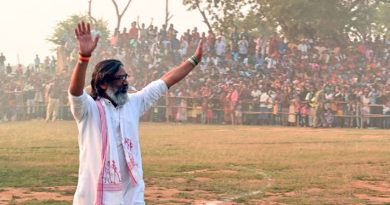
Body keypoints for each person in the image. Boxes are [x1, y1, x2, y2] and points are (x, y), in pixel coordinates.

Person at [68, 22, 203, 205]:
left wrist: (193, 61)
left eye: (126, 77)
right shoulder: (89, 109)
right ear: (103, 83)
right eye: (119, 78)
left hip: (131, 193)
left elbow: (165, 81)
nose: (125, 82)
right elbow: (75, 92)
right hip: (97, 195)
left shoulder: (133, 103)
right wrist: (84, 57)